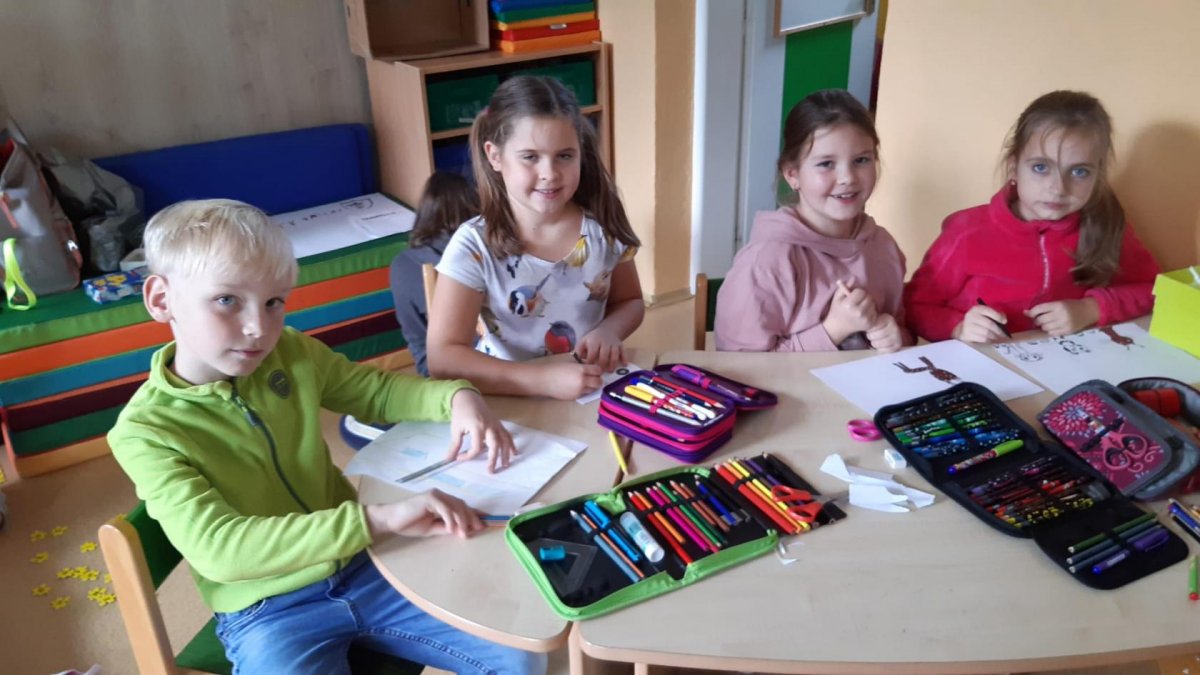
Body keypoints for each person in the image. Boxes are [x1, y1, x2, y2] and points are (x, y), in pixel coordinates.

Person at [107, 199, 545, 674]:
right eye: (227, 300)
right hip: (268, 611)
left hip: (365, 565)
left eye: (274, 302)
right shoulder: (144, 432)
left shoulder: (290, 351)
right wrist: (378, 519)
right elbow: (219, 548)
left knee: (524, 658)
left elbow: (374, 392)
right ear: (161, 299)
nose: (258, 329)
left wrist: (456, 396)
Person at [427, 76, 644, 400]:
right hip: (507, 398)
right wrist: (541, 380)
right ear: (495, 156)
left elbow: (631, 301)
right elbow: (443, 360)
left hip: (589, 391)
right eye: (530, 157)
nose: (550, 173)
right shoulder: (473, 246)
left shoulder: (603, 227)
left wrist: (609, 331)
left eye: (565, 156)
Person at [904, 90, 1159, 342]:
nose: (1058, 188)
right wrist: (958, 328)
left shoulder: (1106, 225)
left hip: (1065, 362)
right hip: (981, 362)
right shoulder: (966, 231)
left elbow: (1156, 290)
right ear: (1014, 167)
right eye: (1040, 167)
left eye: (1079, 172)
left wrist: (1092, 308)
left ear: (1098, 174)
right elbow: (914, 306)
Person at [714, 88, 910, 353]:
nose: (847, 178)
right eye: (826, 164)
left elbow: (903, 331)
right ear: (792, 174)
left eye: (861, 160)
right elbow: (738, 363)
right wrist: (833, 330)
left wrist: (895, 334)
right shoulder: (766, 261)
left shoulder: (884, 246)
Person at [389, 171, 479, 376]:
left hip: (449, 380)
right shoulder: (493, 249)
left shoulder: (404, 265)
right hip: (508, 368)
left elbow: (418, 343)